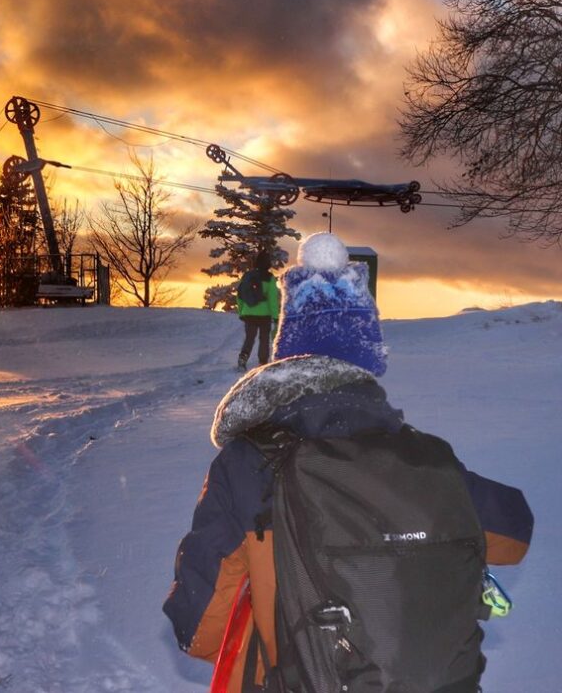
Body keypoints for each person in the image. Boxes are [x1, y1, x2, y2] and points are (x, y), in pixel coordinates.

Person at [163, 232, 533, 692]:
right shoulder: (418, 455)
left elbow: (199, 629)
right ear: (365, 364)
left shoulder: (249, 462)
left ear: (285, 354)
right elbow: (514, 534)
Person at [235, 251, 280, 371]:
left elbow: (240, 295)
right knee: (264, 338)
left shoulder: (248, 275)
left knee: (249, 338)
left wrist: (241, 311)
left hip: (248, 313)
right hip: (264, 314)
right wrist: (276, 316)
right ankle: (263, 363)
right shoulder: (269, 278)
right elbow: (273, 299)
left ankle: (242, 359)